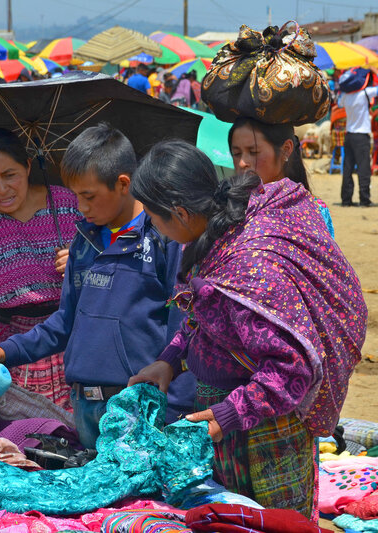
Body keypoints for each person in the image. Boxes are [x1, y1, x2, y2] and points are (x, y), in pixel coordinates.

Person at [128, 139, 367, 518]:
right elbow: (207, 320)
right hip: (228, 422)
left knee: (270, 524)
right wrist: (170, 360)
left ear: (181, 213)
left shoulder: (246, 268)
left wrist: (228, 414)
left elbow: (292, 368)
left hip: (264, 435)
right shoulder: (219, 237)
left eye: (154, 219)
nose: (152, 228)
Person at [0, 123, 196, 448]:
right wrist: (7, 350)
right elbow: (65, 322)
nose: (81, 207)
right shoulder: (84, 241)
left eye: (88, 196)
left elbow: (183, 329)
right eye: (76, 195)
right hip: (84, 406)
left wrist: (174, 410)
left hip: (141, 408)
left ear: (122, 184)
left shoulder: (163, 238)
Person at [0, 127, 81, 411]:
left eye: (10, 175)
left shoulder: (72, 205)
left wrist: (82, 263)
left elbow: (110, 269)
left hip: (72, 337)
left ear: (29, 166)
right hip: (9, 350)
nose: (1, 189)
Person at [228, 116, 335, 237]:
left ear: (286, 150)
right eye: (236, 154)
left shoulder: (316, 212)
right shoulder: (227, 210)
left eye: (254, 152)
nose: (242, 163)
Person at [339, 66, 378, 207]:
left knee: (348, 168)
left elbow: (338, 102)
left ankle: (346, 200)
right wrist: (374, 71)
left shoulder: (345, 96)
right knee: (363, 169)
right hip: (361, 136)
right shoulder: (365, 93)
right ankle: (364, 199)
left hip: (349, 135)